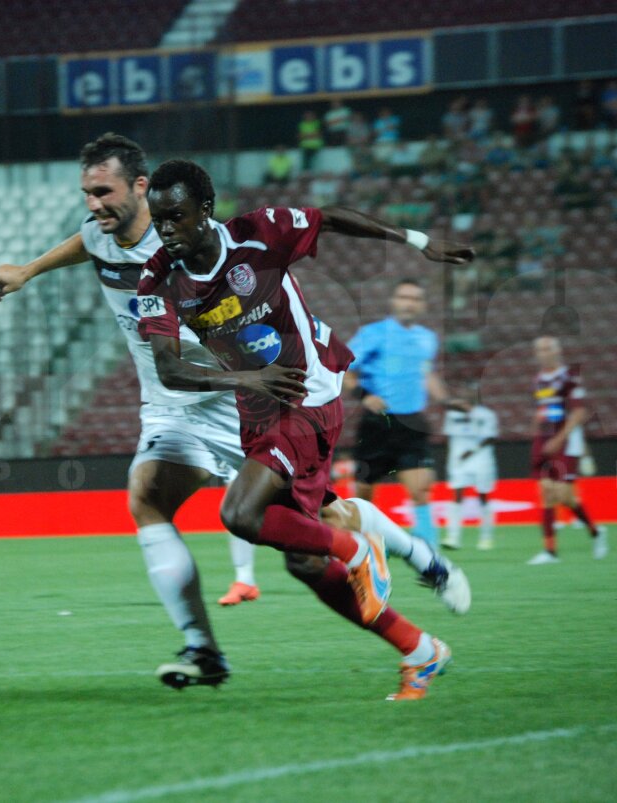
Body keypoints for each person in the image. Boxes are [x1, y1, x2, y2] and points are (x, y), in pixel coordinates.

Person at [137, 159, 474, 700]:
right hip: (260, 404)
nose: (165, 229)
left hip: (308, 394)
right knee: (304, 560)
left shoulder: (258, 234)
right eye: (157, 220)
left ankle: (360, 552)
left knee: (240, 513)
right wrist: (250, 377)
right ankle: (419, 648)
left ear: (205, 209)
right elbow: (170, 370)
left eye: (175, 216)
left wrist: (418, 240)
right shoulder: (158, 278)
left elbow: (332, 218)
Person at [0, 134, 261, 690]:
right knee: (145, 496)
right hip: (169, 406)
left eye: (103, 191)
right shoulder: (101, 235)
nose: (93, 204)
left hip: (233, 398)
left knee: (305, 523)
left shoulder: (192, 242)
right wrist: (28, 270)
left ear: (141, 186)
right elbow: (86, 243)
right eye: (87, 193)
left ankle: (406, 551)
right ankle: (203, 650)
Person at [345, 280, 465, 547]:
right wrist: (365, 396)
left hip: (412, 422)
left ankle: (428, 553)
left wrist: (446, 399)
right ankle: (362, 546)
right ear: (394, 301)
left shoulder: (427, 338)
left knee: (421, 489)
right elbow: (343, 369)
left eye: (415, 298)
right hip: (378, 423)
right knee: (364, 492)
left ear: (422, 305)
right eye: (403, 297)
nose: (408, 303)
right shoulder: (372, 333)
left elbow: (426, 373)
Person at [526, 336, 608, 565]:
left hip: (566, 442)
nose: (544, 352)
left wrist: (559, 439)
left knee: (564, 496)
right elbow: (544, 409)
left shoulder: (570, 378)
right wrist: (537, 428)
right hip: (543, 440)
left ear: (558, 351)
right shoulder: (538, 380)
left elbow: (579, 413)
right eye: (540, 349)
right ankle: (550, 552)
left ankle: (596, 532)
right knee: (547, 495)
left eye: (548, 348)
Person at [442, 384, 499, 551]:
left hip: (481, 458)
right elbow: (449, 436)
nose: (467, 395)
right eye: (465, 392)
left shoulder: (487, 415)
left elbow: (490, 438)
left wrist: (472, 450)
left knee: (483, 495)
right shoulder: (452, 414)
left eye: (471, 392)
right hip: (458, 459)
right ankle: (453, 537)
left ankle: (486, 537)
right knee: (456, 494)